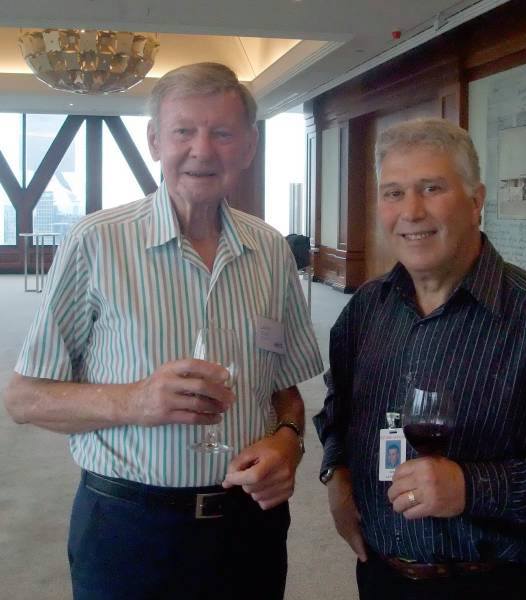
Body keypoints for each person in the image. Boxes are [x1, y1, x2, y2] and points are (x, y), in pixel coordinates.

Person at [4, 62, 323, 600]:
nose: (202, 150)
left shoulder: (271, 250)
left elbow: (284, 388)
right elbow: (23, 399)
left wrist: (288, 441)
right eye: (183, 131)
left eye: (222, 133)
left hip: (249, 525)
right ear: (155, 141)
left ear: (248, 146)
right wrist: (136, 401)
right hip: (128, 529)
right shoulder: (95, 243)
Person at [314, 118, 526, 600]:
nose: (411, 211)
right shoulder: (365, 309)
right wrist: (336, 476)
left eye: (432, 188)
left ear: (476, 201)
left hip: (495, 583)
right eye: (394, 193)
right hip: (381, 577)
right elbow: (338, 408)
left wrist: (472, 486)